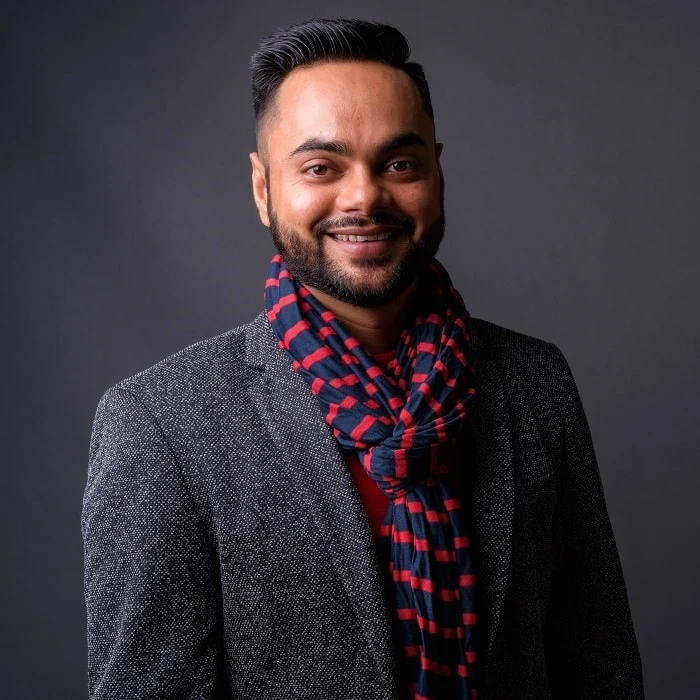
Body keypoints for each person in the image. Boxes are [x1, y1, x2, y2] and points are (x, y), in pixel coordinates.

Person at [82, 18, 644, 700]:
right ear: (263, 189)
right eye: (322, 167)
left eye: (399, 164)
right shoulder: (161, 424)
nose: (364, 197)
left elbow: (600, 668)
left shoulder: (534, 384)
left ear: (437, 171)